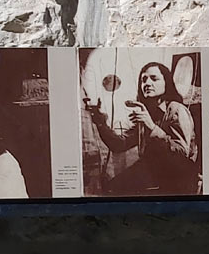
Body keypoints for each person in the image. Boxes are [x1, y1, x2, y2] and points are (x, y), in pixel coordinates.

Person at [84, 61, 200, 195]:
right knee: (112, 187)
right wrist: (100, 123)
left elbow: (181, 156)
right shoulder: (146, 113)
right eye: (143, 80)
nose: (147, 83)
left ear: (166, 83)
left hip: (176, 176)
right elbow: (119, 145)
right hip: (152, 168)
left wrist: (151, 126)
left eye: (154, 78)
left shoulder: (176, 109)